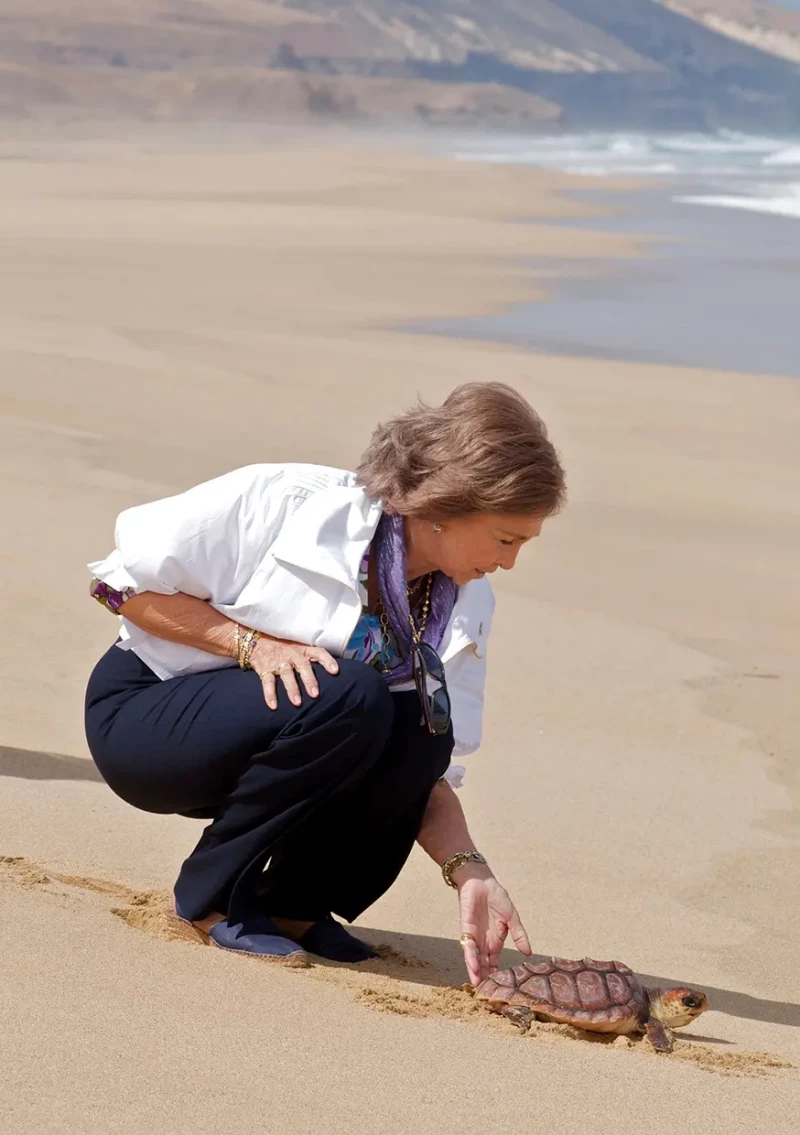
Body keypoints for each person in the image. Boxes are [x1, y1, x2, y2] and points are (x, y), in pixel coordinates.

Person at [84, 382, 566, 981]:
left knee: (420, 724)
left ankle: (293, 906)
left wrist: (471, 869)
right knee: (352, 692)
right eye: (505, 538)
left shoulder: (465, 600)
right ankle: (209, 898)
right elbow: (119, 586)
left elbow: (424, 772)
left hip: (286, 739)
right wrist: (252, 645)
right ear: (446, 506)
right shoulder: (287, 499)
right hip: (149, 717)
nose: (511, 561)